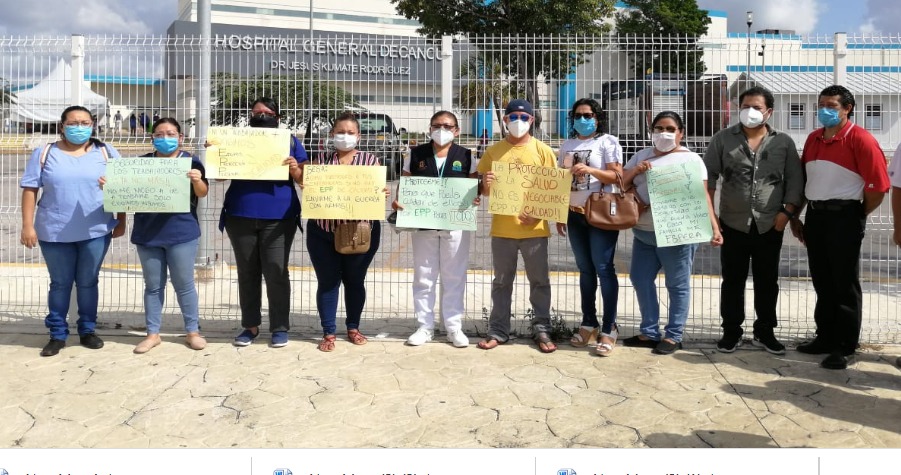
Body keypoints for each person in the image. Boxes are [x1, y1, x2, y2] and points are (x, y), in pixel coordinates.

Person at [792, 85, 889, 370]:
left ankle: (844, 346)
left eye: (832, 105)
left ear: (847, 108)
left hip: (845, 217)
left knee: (844, 282)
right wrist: (797, 216)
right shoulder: (813, 139)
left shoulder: (861, 140)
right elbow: (804, 182)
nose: (825, 109)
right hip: (816, 216)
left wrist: (856, 214)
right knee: (822, 279)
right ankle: (824, 337)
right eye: (822, 104)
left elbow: (878, 188)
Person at [19, 105, 127, 357]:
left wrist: (121, 219)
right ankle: (57, 334)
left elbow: (123, 186)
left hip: (96, 230)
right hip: (54, 233)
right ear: (62, 126)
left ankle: (87, 330)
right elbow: (30, 189)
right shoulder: (45, 153)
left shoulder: (106, 152)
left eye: (85, 123)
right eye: (73, 123)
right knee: (60, 284)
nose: (79, 127)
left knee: (88, 283)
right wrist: (27, 225)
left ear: (93, 125)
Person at [704, 86, 804, 355]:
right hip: (732, 224)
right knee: (732, 280)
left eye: (756, 107)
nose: (750, 111)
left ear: (768, 111)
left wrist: (787, 214)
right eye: (745, 106)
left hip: (770, 224)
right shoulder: (723, 139)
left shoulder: (783, 142)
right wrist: (712, 219)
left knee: (767, 281)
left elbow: (795, 180)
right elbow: (708, 179)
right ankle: (731, 332)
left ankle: (765, 331)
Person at [621, 111, 723, 355]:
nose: (663, 133)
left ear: (681, 133)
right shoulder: (641, 155)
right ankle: (649, 331)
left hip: (677, 235)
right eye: (658, 128)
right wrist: (636, 171)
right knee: (640, 279)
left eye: (669, 128)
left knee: (677, 285)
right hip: (643, 233)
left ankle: (673, 335)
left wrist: (714, 227)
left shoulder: (691, 160)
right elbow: (620, 184)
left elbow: (703, 196)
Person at [217, 97, 307, 348]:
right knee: (247, 273)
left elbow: (303, 180)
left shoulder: (289, 141)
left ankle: (279, 327)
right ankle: (250, 326)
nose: (261, 116)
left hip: (279, 217)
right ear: (250, 116)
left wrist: (294, 168)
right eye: (257, 112)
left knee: (276, 272)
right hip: (240, 214)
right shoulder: (237, 140)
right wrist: (217, 155)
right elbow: (220, 176)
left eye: (267, 112)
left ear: (277, 117)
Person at [391, 111, 480, 348]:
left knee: (454, 275)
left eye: (448, 126)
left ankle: (453, 327)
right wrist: (399, 200)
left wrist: (475, 197)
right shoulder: (415, 153)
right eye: (437, 125)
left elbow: (474, 186)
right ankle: (424, 326)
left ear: (457, 130)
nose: (442, 129)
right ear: (429, 129)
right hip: (424, 223)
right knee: (424, 276)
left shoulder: (467, 155)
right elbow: (406, 182)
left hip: (455, 223)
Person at [302, 112, 388, 352]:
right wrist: (307, 185)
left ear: (359, 137)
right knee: (327, 282)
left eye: (350, 133)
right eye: (340, 132)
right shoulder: (320, 162)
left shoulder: (371, 162)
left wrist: (381, 193)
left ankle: (353, 327)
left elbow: (376, 192)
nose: (345, 137)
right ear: (332, 134)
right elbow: (309, 189)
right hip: (323, 231)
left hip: (360, 232)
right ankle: (328, 331)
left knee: (354, 281)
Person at [476, 99, 558, 353]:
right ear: (505, 120)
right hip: (503, 230)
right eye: (513, 117)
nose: (518, 122)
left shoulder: (544, 151)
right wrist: (486, 184)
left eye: (524, 117)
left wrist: (537, 215)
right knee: (501, 283)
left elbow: (552, 192)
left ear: (532, 120)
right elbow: (484, 191)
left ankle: (542, 329)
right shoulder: (493, 152)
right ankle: (498, 331)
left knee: (540, 282)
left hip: (535, 230)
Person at [122, 118, 209, 353]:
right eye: (159, 134)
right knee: (153, 286)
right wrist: (109, 187)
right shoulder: (141, 164)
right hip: (148, 235)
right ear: (152, 138)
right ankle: (152, 334)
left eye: (170, 134)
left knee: (184, 285)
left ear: (180, 138)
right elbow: (125, 193)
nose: (165, 138)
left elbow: (202, 193)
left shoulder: (191, 162)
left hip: (181, 233)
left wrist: (198, 180)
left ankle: (193, 331)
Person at [555, 98, 623, 356]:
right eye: (578, 115)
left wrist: (591, 171)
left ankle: (609, 327)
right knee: (585, 270)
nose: (583, 119)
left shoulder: (607, 142)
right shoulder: (567, 145)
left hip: (600, 214)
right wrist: (559, 213)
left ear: (597, 117)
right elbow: (561, 180)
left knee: (604, 269)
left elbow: (617, 175)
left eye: (588, 114)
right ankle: (589, 322)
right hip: (574, 214)